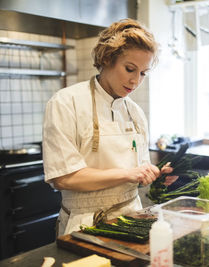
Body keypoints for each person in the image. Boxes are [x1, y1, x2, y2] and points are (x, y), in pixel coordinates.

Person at [42, 18, 172, 236]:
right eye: (130, 69)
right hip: (85, 223)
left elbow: (137, 172)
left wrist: (152, 175)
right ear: (107, 58)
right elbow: (63, 178)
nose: (135, 81)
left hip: (133, 219)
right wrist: (128, 173)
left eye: (143, 73)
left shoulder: (135, 113)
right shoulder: (66, 102)